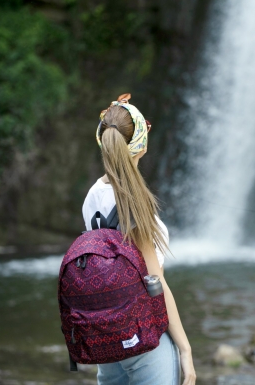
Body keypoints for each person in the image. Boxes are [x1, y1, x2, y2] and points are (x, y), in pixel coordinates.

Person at [81, 93, 196, 385]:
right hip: (145, 338)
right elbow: (155, 285)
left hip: (108, 339)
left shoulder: (92, 195)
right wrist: (185, 349)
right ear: (141, 145)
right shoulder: (135, 205)